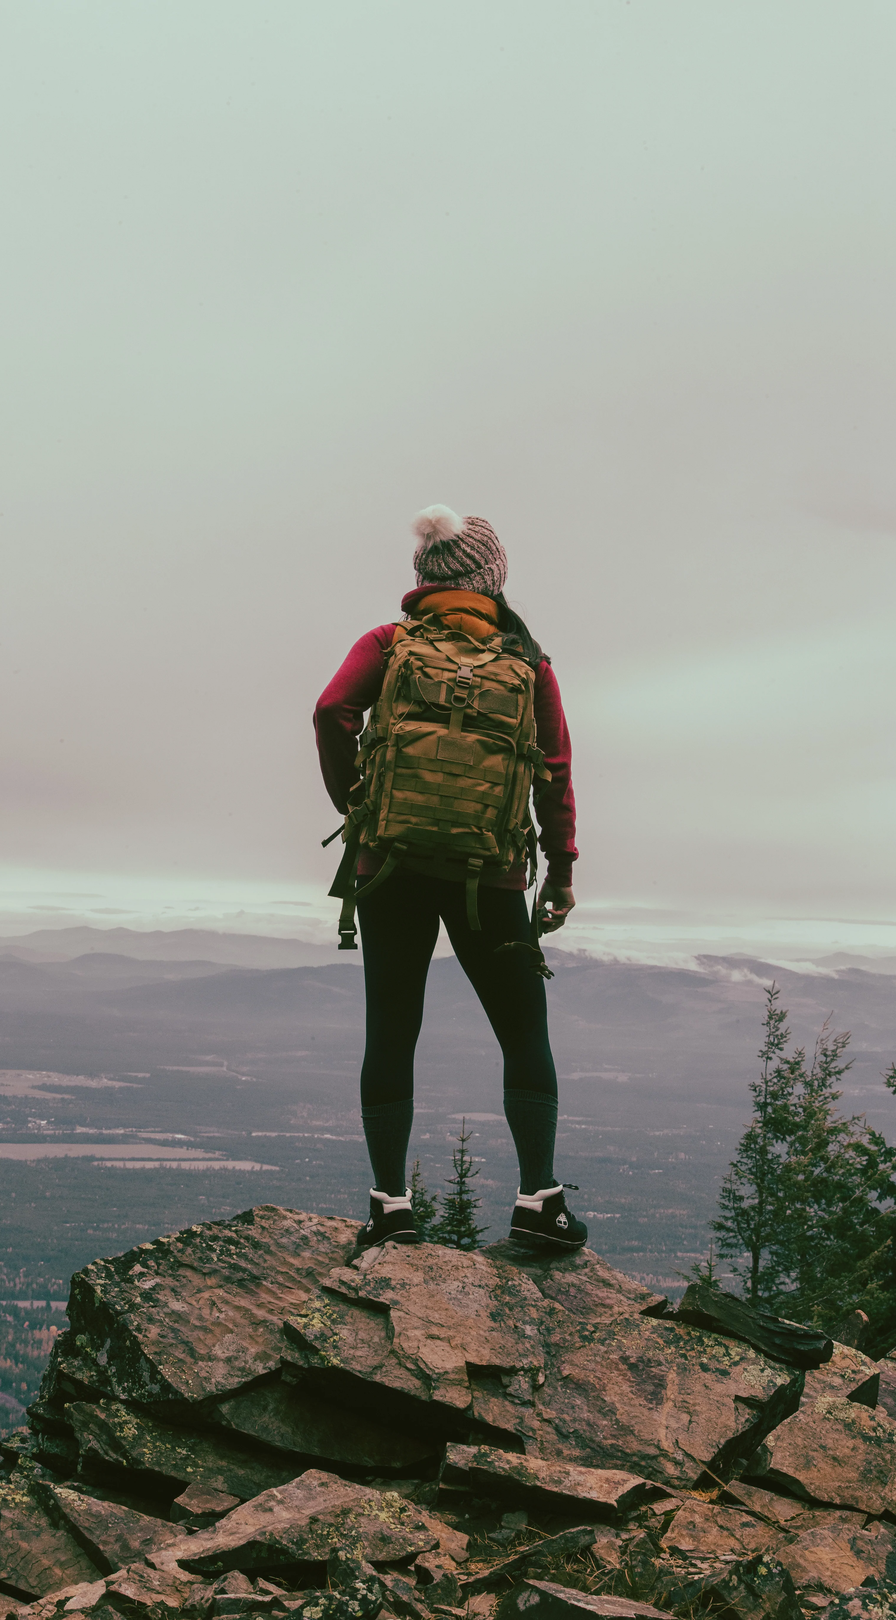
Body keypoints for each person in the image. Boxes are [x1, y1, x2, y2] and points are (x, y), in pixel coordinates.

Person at [314, 506, 585, 1252]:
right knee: (523, 1029)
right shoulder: (528, 663)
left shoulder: (389, 643)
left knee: (392, 1030)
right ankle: (539, 1201)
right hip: (489, 877)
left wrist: (359, 808)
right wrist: (559, 870)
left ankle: (391, 1208)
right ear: (493, 580)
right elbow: (554, 773)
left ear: (424, 577)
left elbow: (333, 709)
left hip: (390, 867)